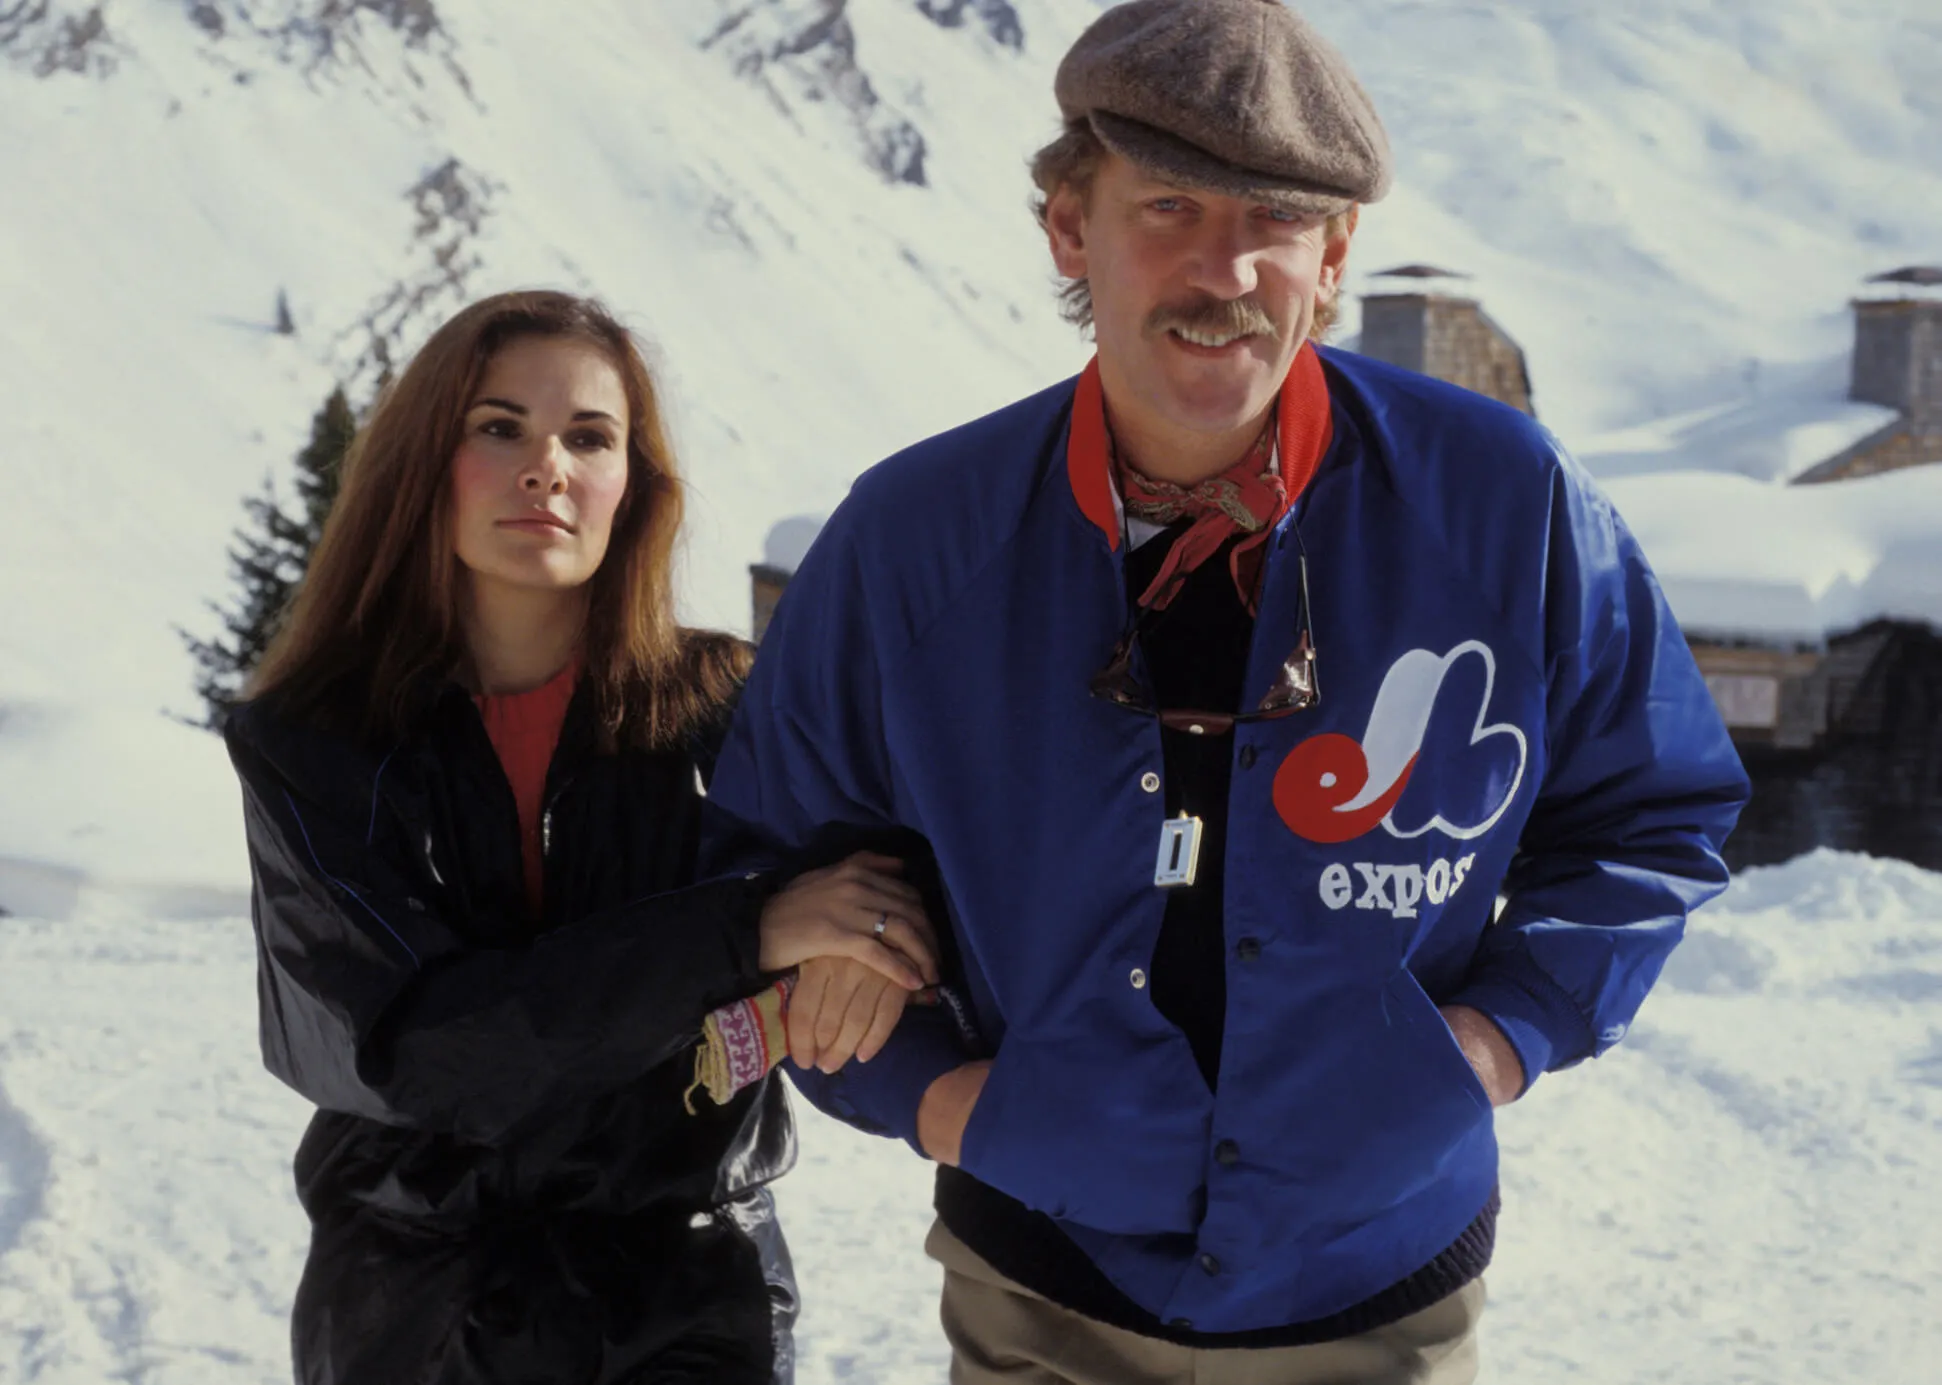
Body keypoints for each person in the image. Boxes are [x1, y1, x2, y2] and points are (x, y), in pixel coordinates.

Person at [704, 1, 1752, 1381]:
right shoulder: (915, 539)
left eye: (1274, 218)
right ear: (1068, 228)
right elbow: (775, 867)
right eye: (1170, 207)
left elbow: (1650, 817)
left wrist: (1486, 1049)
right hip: (1036, 1285)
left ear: (1334, 256)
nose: (1226, 268)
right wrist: (945, 1102)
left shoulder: (1507, 506)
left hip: (1379, 1289)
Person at [223, 290, 939, 1385]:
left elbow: (901, 875)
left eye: (589, 437)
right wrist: (748, 931)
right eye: (498, 425)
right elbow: (424, 1052)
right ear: (424, 461)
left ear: (632, 487)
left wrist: (870, 934)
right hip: (419, 1299)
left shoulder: (732, 708)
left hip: (694, 1285)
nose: (546, 466)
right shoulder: (312, 743)